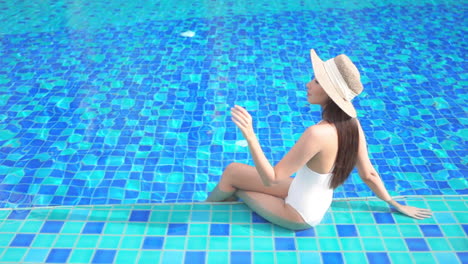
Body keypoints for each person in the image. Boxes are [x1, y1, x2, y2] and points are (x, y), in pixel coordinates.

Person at [206, 49, 432, 230]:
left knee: (233, 186)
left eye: (316, 81)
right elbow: (369, 174)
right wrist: (393, 203)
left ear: (330, 93)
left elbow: (271, 179)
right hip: (309, 199)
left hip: (297, 214)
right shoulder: (352, 125)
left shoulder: (317, 134)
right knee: (233, 171)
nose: (308, 84)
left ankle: (203, 212)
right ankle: (210, 206)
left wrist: (250, 135)